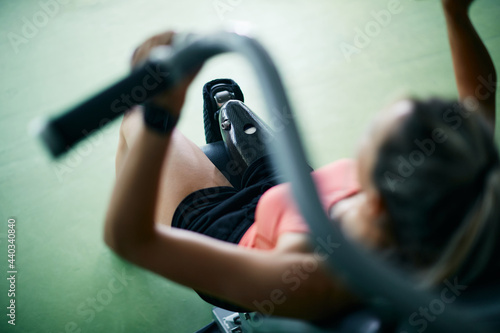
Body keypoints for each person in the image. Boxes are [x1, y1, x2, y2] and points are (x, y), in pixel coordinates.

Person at [104, 0, 499, 320]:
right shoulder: (462, 189)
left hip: (230, 230)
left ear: (373, 197)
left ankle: (137, 186)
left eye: (372, 136)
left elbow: (129, 240)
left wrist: (160, 112)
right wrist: (456, 13)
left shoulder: (310, 277)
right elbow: (479, 102)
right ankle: (233, 161)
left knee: (136, 118)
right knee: (246, 128)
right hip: (296, 193)